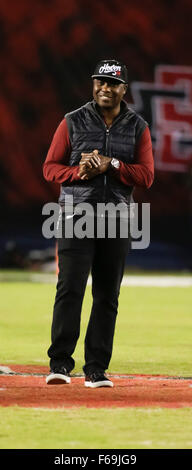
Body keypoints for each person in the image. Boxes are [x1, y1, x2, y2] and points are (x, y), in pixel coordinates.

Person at [43, 59, 154, 388]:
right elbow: (50, 168)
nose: (105, 88)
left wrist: (113, 164)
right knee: (70, 290)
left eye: (112, 83)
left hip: (117, 219)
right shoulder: (72, 122)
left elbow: (146, 176)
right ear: (93, 85)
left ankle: (95, 370)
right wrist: (79, 171)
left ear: (124, 89)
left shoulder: (138, 127)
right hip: (75, 217)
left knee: (107, 296)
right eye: (100, 82)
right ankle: (60, 364)